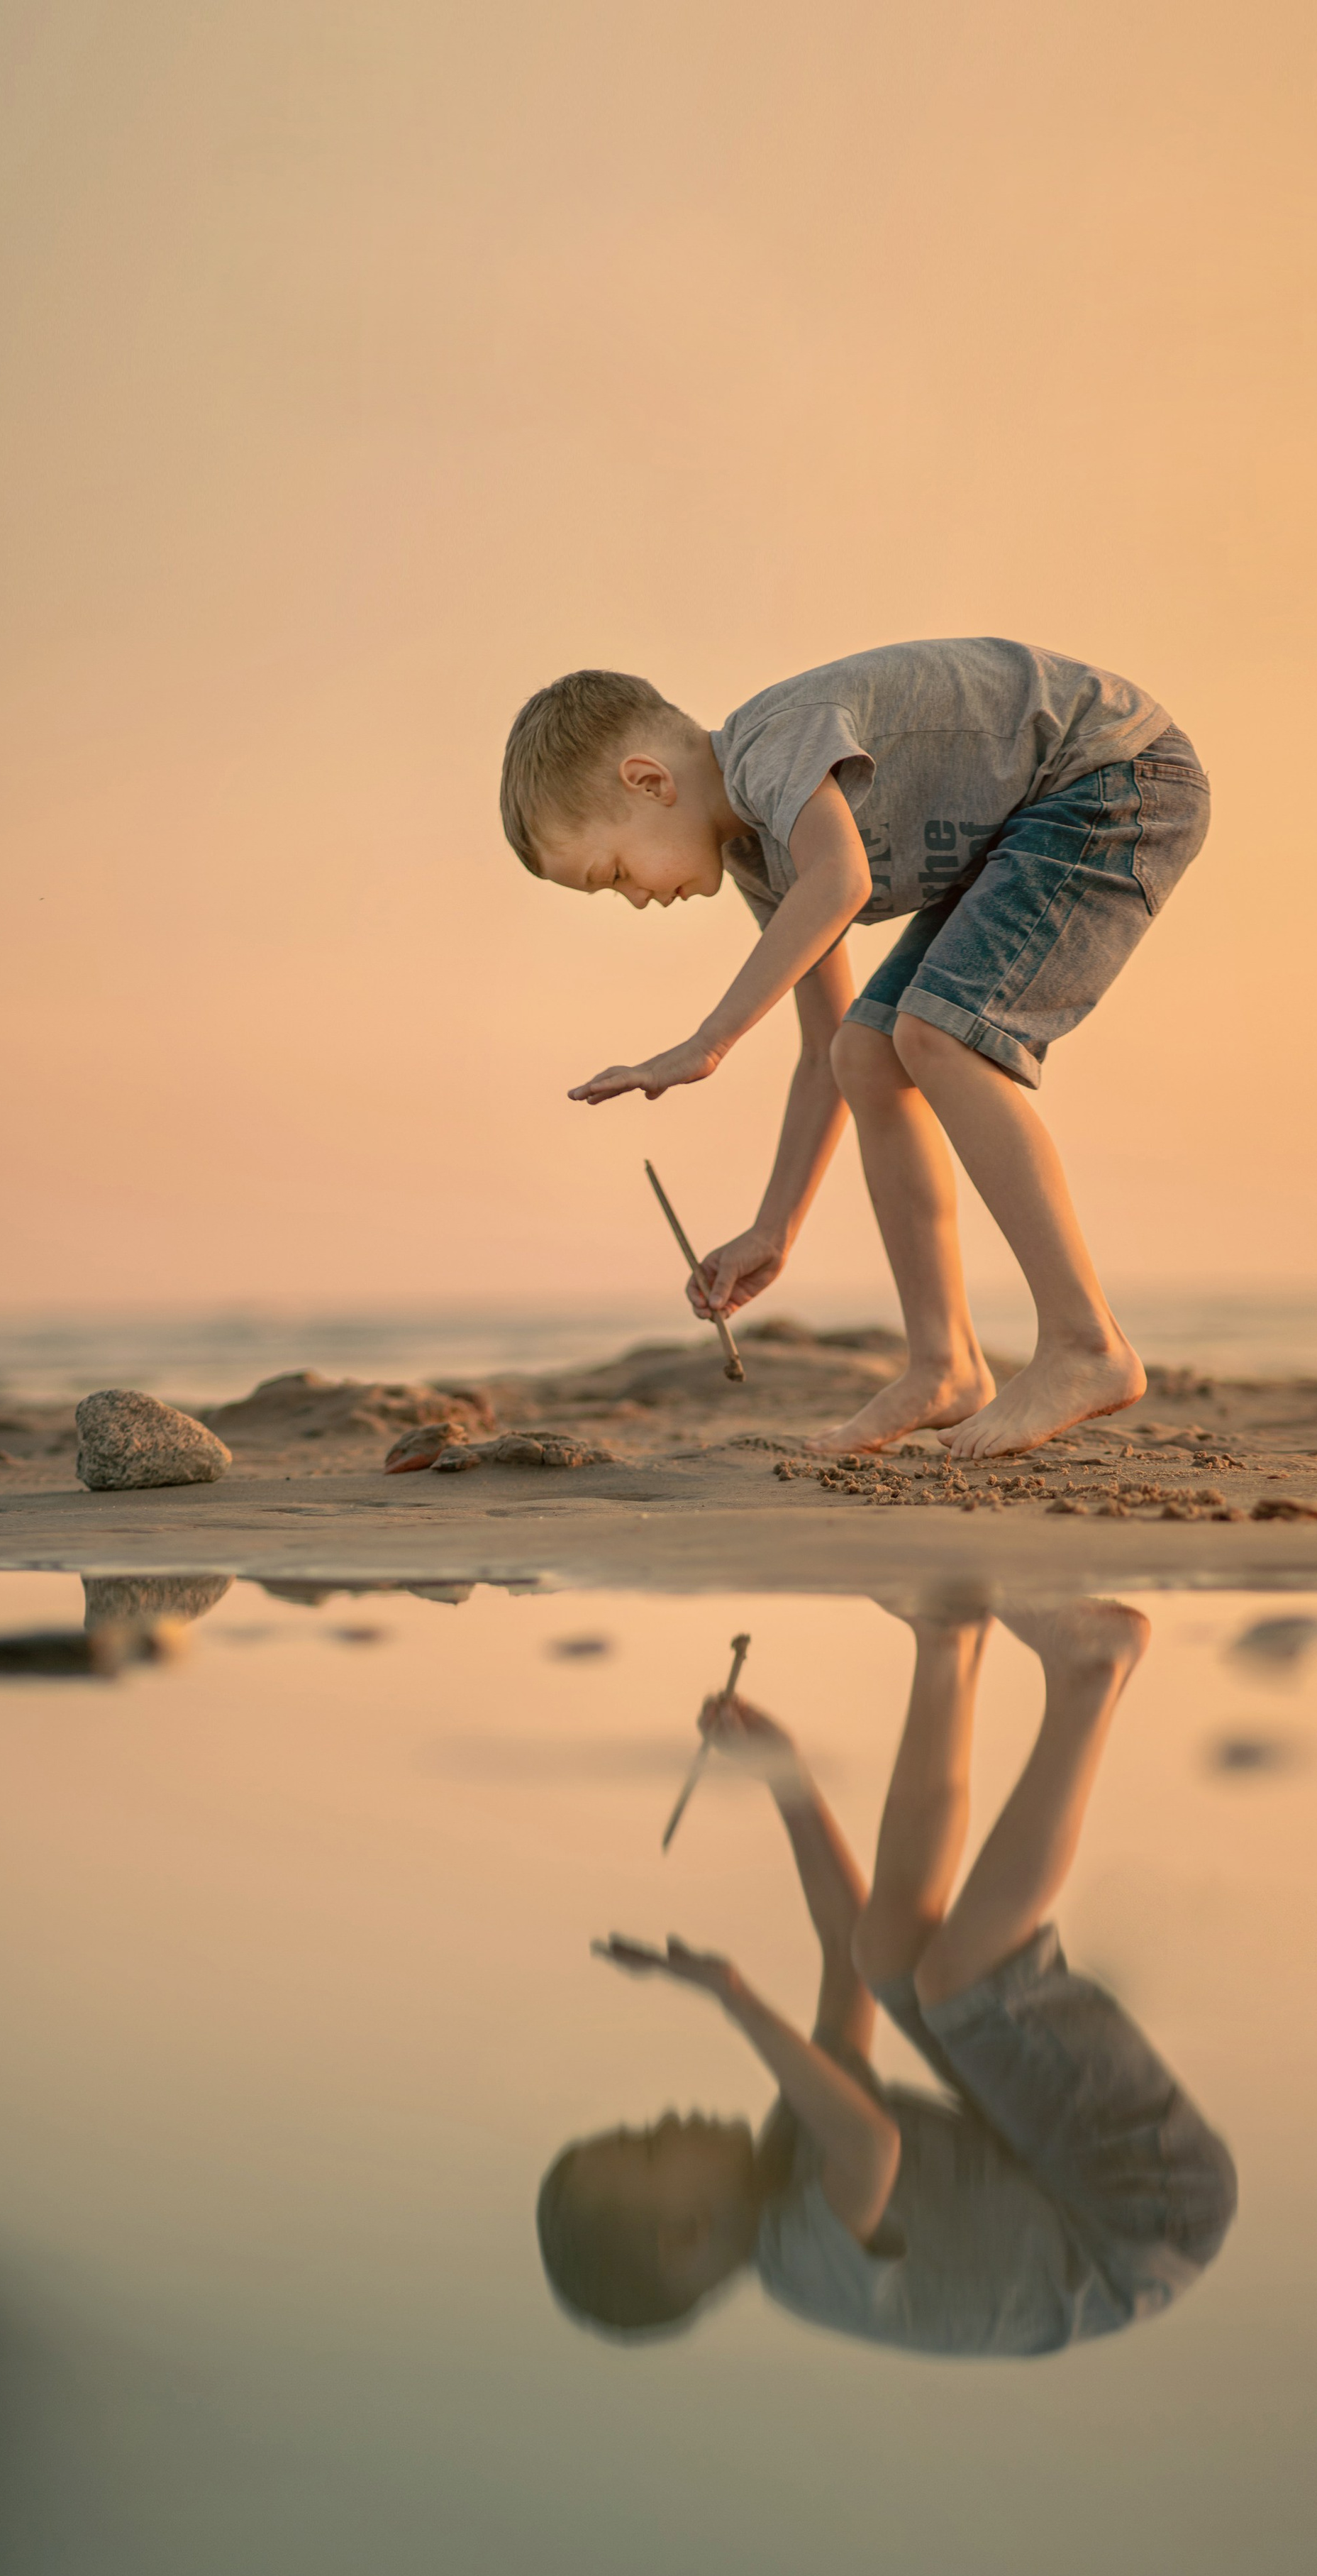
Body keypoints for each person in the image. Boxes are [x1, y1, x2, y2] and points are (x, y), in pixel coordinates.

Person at [499, 641, 1209, 1456]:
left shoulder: (773, 745)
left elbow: (842, 881)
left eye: (614, 871)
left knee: (935, 1034)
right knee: (869, 1054)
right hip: (1023, 831)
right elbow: (823, 1050)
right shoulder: (762, 860)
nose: (632, 899)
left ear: (650, 782)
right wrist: (775, 1227)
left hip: (1113, 778)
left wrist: (708, 1042)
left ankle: (1087, 1343)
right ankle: (944, 1362)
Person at [536, 1600, 1236, 2355]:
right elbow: (874, 2147)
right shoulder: (799, 2267)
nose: (666, 2116)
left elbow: (846, 1953)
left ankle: (948, 1640)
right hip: (1144, 2216)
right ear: (684, 2235)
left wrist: (786, 1778)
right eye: (647, 2147)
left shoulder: (792, 2150)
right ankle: (1091, 1672)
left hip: (1090, 2178)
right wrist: (731, 1996)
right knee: (960, 1985)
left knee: (888, 1952)